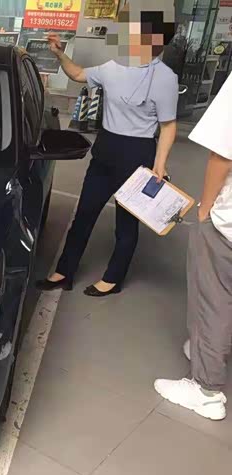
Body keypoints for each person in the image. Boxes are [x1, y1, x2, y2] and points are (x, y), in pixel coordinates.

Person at [36, 5, 179, 297]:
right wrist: (60, 54)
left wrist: (160, 163)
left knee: (126, 223)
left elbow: (168, 125)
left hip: (138, 153)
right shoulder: (113, 67)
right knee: (84, 213)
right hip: (106, 149)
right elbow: (78, 73)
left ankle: (113, 278)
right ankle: (64, 272)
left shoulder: (165, 78)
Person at [154, 74, 232, 421]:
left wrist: (205, 209)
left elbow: (223, 154)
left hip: (228, 225)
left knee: (212, 299)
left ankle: (206, 390)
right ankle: (208, 350)